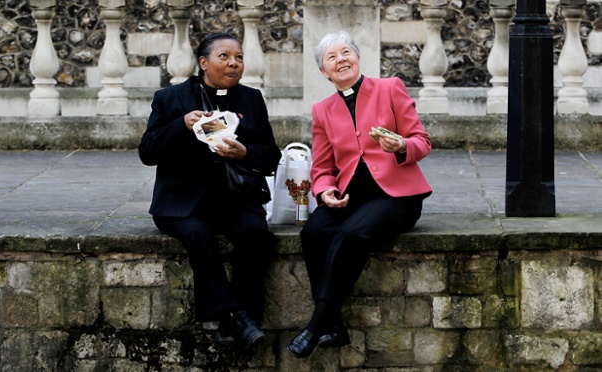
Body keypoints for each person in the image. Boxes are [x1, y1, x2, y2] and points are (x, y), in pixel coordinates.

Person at [286, 31, 433, 358]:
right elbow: (322, 167)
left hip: (397, 197)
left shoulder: (389, 88)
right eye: (332, 57)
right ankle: (335, 326)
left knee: (349, 234)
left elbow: (422, 141)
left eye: (346, 52)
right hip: (351, 196)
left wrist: (402, 146)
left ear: (357, 57)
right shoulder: (322, 110)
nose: (341, 60)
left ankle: (317, 323)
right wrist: (325, 192)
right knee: (313, 232)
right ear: (324, 71)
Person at [139, 32, 281, 351]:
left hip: (236, 198)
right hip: (182, 203)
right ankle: (238, 317)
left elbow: (272, 155)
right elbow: (147, 152)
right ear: (203, 63)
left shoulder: (251, 99)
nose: (234, 63)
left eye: (239, 58)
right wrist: (181, 125)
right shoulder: (170, 99)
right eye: (225, 57)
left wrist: (245, 152)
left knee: (256, 233)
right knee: (196, 234)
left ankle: (235, 322)